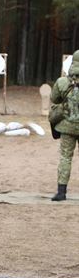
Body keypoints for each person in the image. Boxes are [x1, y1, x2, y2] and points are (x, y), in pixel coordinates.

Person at [49, 50, 79, 201]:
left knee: (65, 157)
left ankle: (61, 192)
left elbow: (54, 99)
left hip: (67, 126)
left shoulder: (62, 82)